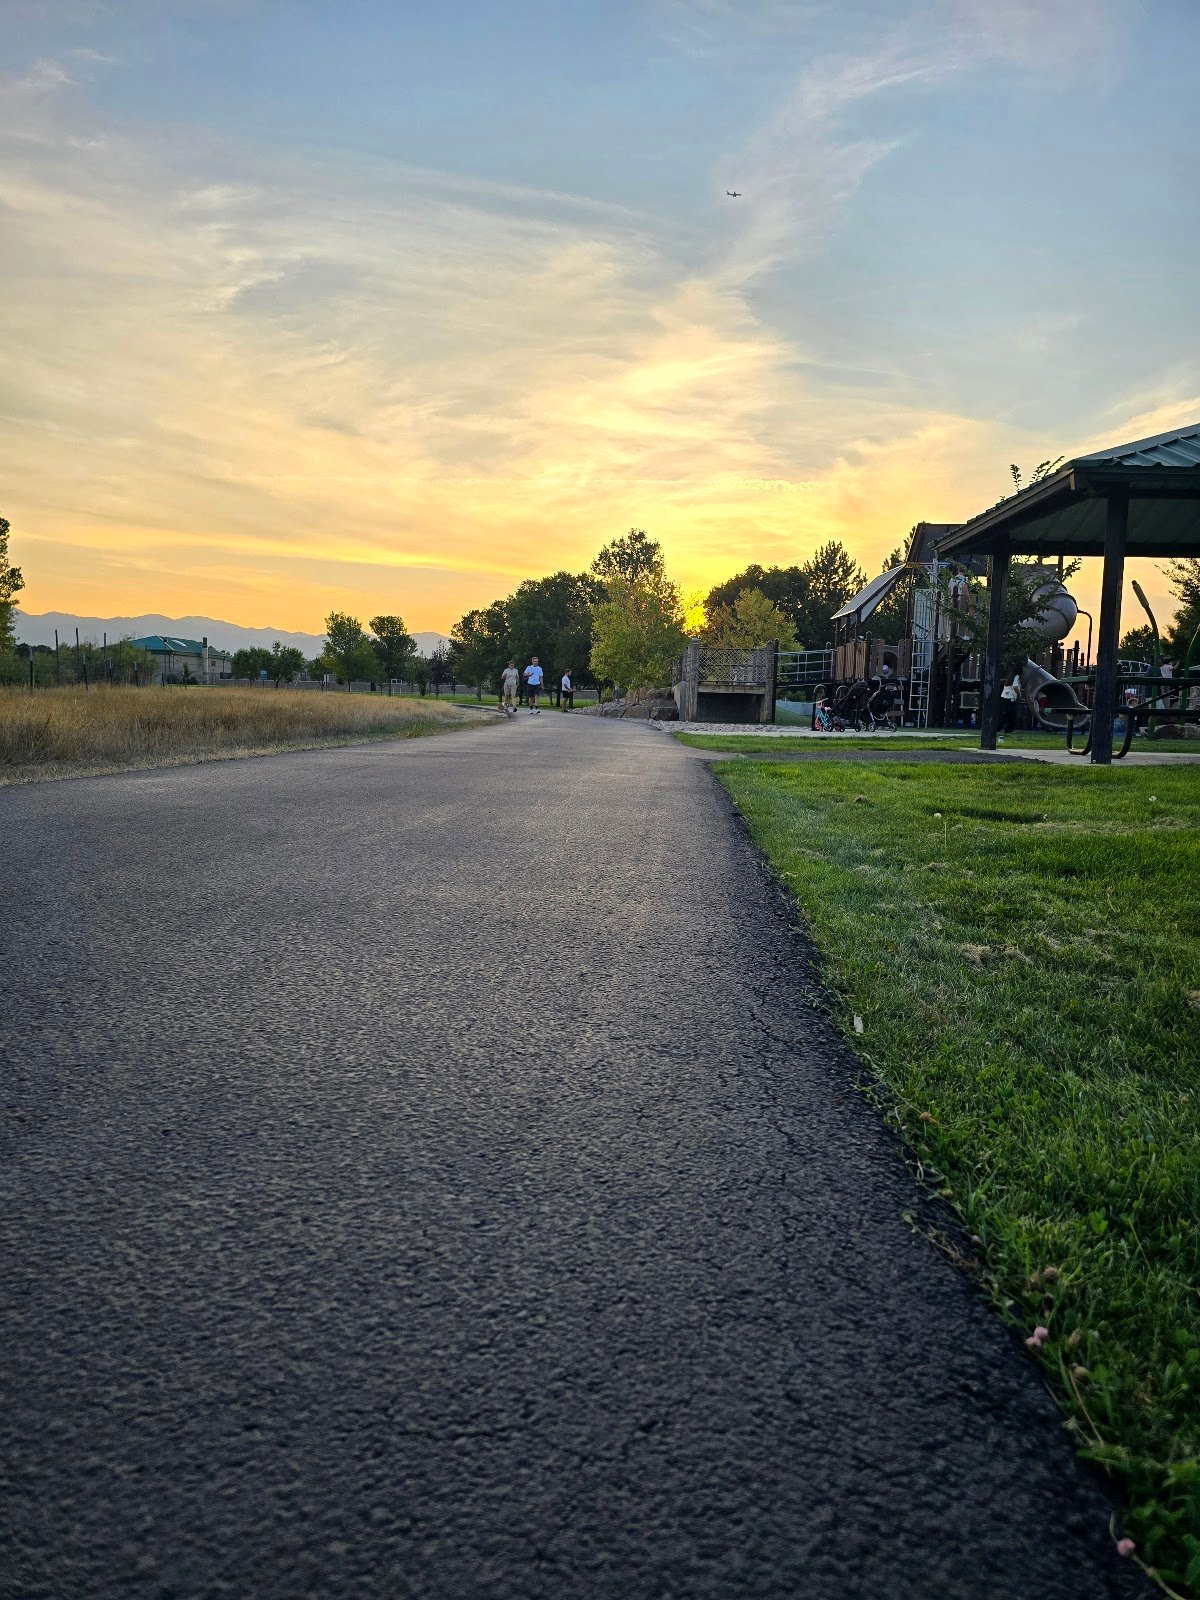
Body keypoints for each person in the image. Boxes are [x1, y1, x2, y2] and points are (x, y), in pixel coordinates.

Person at [999, 672, 1020, 736]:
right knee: (1012, 715)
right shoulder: (1016, 676)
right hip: (1010, 697)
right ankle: (1009, 729)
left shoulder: (1010, 676)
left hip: (1004, 696)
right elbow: (1015, 687)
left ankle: (998, 728)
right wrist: (1020, 693)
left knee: (1004, 714)